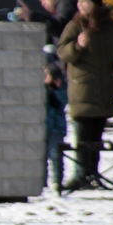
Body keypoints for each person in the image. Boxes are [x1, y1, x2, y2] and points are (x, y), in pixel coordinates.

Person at [57, 0, 113, 192]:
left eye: (84, 2)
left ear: (95, 4)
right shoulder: (75, 25)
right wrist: (77, 46)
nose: (80, 6)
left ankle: (93, 175)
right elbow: (62, 52)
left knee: (97, 138)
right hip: (82, 90)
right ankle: (81, 175)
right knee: (83, 138)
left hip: (104, 89)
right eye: (78, 2)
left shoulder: (111, 27)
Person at [13, 0, 79, 45]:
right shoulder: (64, 4)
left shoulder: (67, 2)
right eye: (41, 2)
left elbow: (61, 28)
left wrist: (32, 16)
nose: (43, 4)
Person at [44, 61, 68, 193]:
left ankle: (57, 181)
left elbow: (64, 101)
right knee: (43, 156)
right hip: (43, 126)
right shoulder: (43, 89)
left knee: (56, 155)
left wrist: (58, 88)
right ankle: (42, 182)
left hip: (56, 127)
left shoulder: (61, 88)